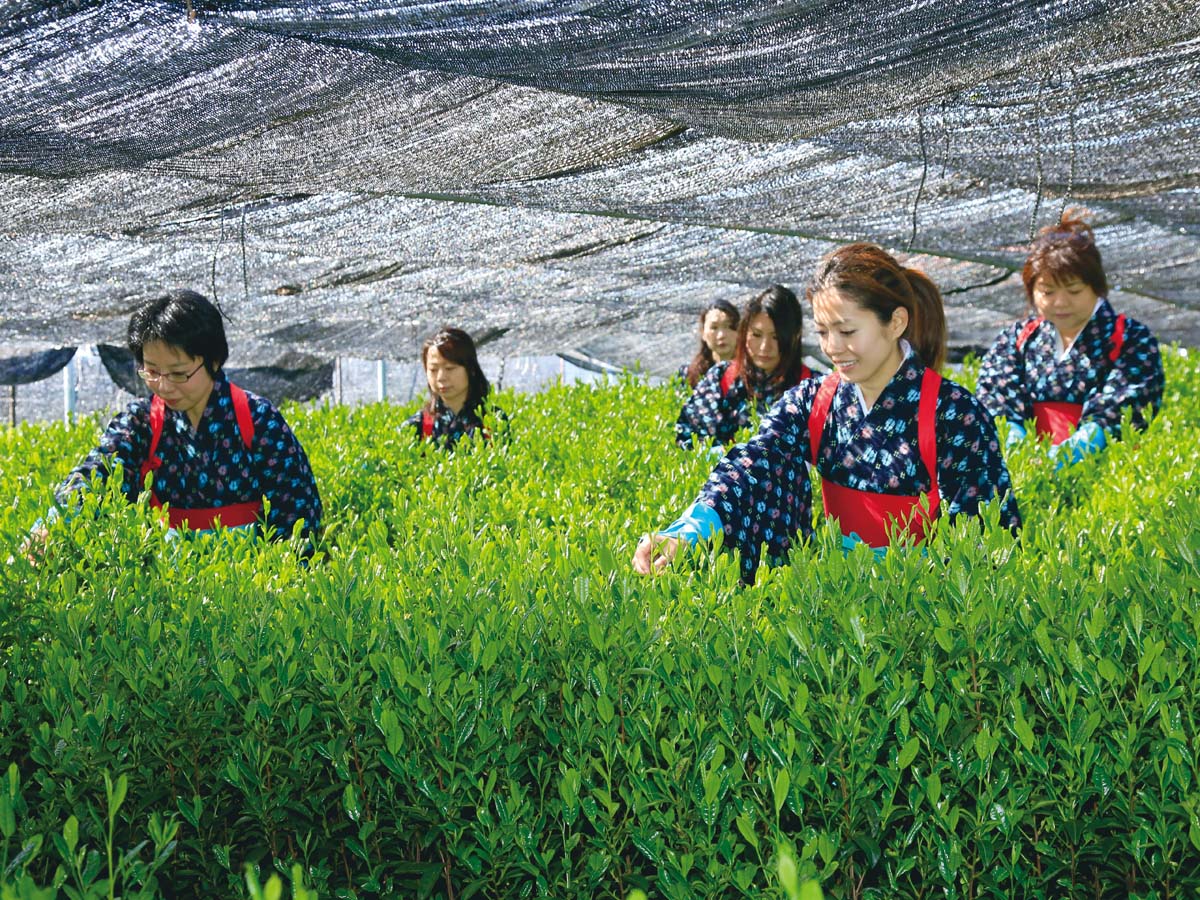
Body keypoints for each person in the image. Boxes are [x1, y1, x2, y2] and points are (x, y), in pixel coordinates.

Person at [637, 243, 1020, 584]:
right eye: (823, 332)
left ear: (896, 323)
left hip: (922, 611)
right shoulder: (814, 401)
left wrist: (907, 569)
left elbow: (987, 536)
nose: (834, 348)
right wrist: (692, 530)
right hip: (836, 596)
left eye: (847, 331)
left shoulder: (953, 414)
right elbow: (756, 462)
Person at [36, 289, 322, 545]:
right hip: (172, 583)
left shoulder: (259, 419)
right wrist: (55, 523)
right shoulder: (141, 423)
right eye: (151, 371)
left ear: (212, 361)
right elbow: (99, 472)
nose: (163, 385)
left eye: (178, 373)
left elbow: (298, 510)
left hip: (251, 582)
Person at [975, 212, 1164, 468]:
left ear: (1095, 287)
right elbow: (995, 394)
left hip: (1102, 470)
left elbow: (1128, 401)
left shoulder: (1130, 337)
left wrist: (1079, 447)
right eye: (1047, 292)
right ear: (1032, 292)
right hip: (1025, 467)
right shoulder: (1017, 339)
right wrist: (1015, 447)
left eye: (1074, 290)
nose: (1061, 302)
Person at [675, 286, 812, 449]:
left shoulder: (812, 390)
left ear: (794, 336)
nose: (764, 347)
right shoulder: (721, 379)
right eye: (756, 334)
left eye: (776, 337)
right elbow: (689, 439)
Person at [404, 327, 503, 449]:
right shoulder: (418, 425)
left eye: (449, 368)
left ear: (470, 369)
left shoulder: (493, 419)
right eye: (433, 370)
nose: (441, 377)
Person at [680, 299, 740, 389]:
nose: (721, 335)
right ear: (703, 332)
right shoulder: (688, 374)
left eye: (729, 327)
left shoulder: (751, 374)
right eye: (714, 328)